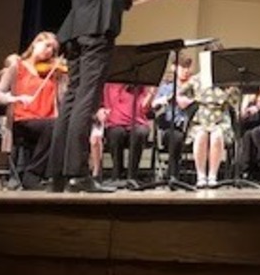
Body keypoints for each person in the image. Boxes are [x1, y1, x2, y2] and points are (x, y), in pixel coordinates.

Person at [48, 0, 195, 194]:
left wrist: (139, 1)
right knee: (86, 100)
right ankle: (78, 174)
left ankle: (59, 176)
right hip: (95, 33)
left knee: (72, 100)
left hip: (74, 31)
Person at [0, 32, 65, 190]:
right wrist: (13, 99)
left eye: (53, 49)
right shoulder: (17, 67)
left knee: (60, 126)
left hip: (48, 121)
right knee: (53, 127)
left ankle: (39, 174)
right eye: (47, 46)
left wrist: (63, 79)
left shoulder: (54, 72)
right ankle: (32, 174)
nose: (50, 51)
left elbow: (64, 99)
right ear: (36, 43)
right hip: (22, 121)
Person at [151, 54, 198, 183]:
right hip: (171, 128)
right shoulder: (166, 87)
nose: (186, 70)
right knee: (175, 137)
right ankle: (173, 174)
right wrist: (167, 99)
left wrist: (190, 101)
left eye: (187, 67)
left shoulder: (194, 85)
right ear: (173, 68)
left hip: (192, 128)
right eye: (182, 67)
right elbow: (154, 105)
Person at [101, 82, 155, 186]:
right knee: (116, 133)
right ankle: (116, 175)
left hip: (137, 122)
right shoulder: (110, 84)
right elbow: (105, 104)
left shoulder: (140, 85)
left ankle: (132, 176)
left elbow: (144, 108)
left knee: (140, 133)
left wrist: (151, 95)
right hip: (116, 123)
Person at [189, 81, 241, 188]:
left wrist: (229, 90)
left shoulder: (226, 80)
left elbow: (235, 101)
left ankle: (213, 176)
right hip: (201, 120)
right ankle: (201, 176)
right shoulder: (197, 80)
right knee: (201, 135)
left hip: (221, 120)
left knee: (216, 135)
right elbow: (183, 94)